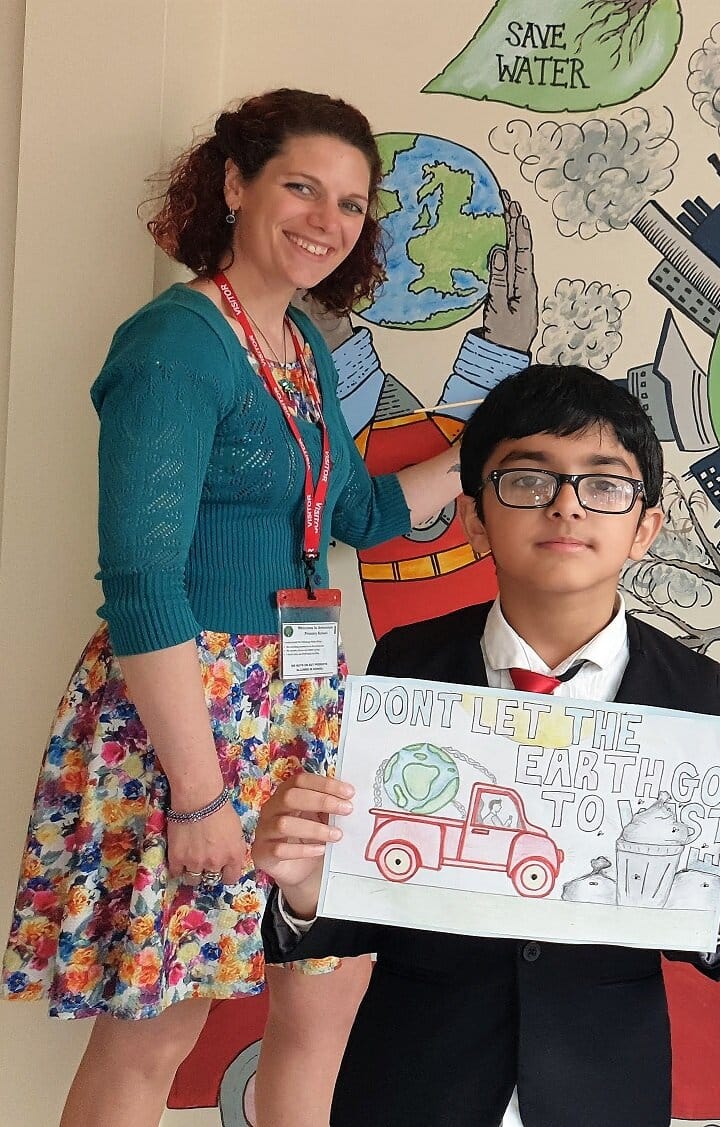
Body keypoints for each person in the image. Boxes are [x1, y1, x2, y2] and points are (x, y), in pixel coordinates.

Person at [2, 89, 467, 1127]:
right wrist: (199, 794)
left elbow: (352, 511)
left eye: (350, 202)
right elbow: (141, 584)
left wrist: (475, 454)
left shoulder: (297, 345)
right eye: (301, 186)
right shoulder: (177, 343)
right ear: (234, 183)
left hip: (282, 702)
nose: (325, 219)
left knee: (207, 1001)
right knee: (157, 1025)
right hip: (190, 715)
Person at [250, 364, 720, 1127]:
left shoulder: (691, 686)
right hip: (416, 1080)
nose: (567, 503)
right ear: (473, 519)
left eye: (603, 483)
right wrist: (306, 884)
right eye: (529, 479)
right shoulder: (409, 666)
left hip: (601, 1084)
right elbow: (367, 908)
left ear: (644, 527)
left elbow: (682, 927)